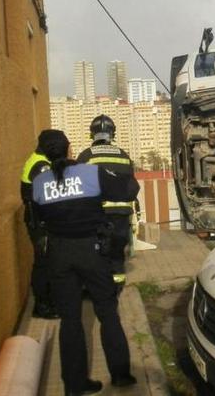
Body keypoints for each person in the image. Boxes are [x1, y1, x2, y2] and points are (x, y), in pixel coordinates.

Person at [30, 130, 139, 396]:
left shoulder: (38, 183)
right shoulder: (90, 174)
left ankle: (74, 386)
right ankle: (121, 374)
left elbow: (39, 217)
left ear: (43, 153)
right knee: (107, 311)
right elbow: (129, 190)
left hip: (59, 255)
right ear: (69, 150)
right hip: (92, 251)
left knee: (70, 320)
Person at [76, 115, 139, 290]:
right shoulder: (123, 155)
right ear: (112, 133)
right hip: (121, 213)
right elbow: (130, 183)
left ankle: (95, 286)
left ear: (92, 134)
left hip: (98, 213)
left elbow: (78, 187)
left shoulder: (86, 156)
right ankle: (117, 285)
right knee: (117, 253)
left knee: (96, 252)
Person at [19, 130, 65, 319]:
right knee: (44, 264)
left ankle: (47, 300)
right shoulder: (42, 166)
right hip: (40, 223)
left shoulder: (39, 159)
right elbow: (48, 196)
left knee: (46, 262)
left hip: (38, 220)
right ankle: (43, 305)